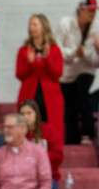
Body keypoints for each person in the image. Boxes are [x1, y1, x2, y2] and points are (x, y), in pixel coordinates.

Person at [15, 14, 65, 148]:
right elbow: (19, 74)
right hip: (29, 92)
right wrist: (30, 63)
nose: (32, 28)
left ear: (44, 26)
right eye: (30, 25)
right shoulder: (24, 50)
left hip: (50, 96)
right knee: (27, 123)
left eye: (35, 24)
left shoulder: (54, 49)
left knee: (51, 125)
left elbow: (57, 73)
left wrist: (47, 59)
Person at [57, 0, 99, 144]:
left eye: (94, 12)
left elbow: (95, 63)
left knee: (82, 91)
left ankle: (88, 132)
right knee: (69, 107)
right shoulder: (65, 24)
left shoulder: (96, 28)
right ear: (81, 9)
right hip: (67, 73)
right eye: (89, 11)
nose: (92, 15)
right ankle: (71, 140)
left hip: (86, 70)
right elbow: (58, 51)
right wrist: (75, 52)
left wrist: (91, 53)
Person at [20, 99, 64, 189]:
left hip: (47, 178)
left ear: (36, 114)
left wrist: (37, 158)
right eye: (22, 114)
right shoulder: (18, 133)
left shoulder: (48, 130)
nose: (25, 117)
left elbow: (58, 155)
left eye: (29, 113)